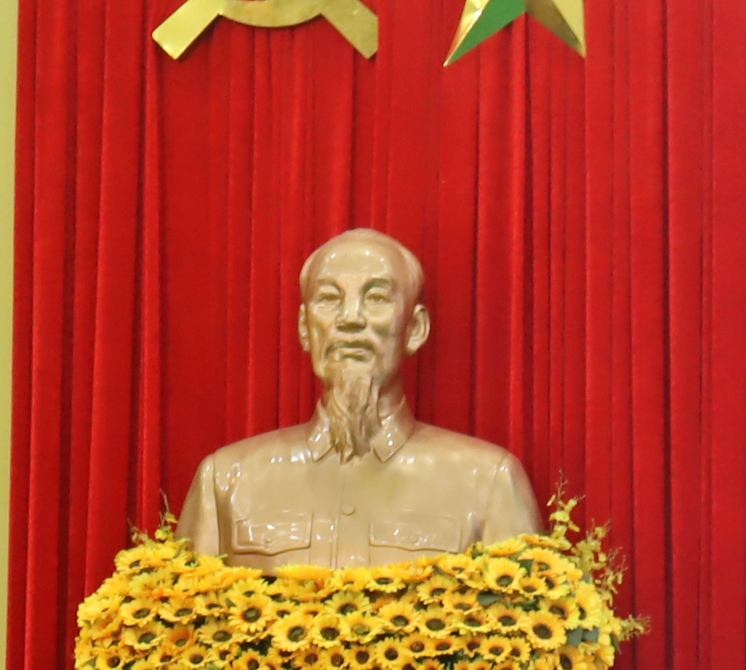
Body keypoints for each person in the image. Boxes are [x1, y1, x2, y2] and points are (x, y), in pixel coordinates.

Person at [178, 227, 546, 572]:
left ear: (415, 329)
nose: (350, 319)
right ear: (305, 328)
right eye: (329, 299)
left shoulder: (488, 482)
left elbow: (526, 611)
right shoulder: (226, 481)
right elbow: (184, 612)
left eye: (375, 298)